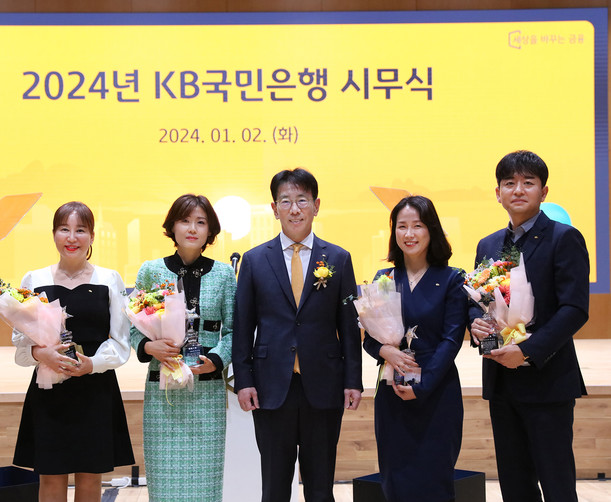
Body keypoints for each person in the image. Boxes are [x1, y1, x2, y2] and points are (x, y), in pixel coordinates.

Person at [232, 168, 362, 502]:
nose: (294, 209)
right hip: (271, 386)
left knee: (321, 488)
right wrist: (244, 380)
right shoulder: (254, 260)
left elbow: (348, 327)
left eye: (302, 200)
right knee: (274, 488)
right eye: (286, 201)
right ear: (274, 209)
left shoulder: (338, 258)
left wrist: (353, 380)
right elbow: (243, 327)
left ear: (316, 206)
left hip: (324, 384)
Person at [469, 150, 589, 502]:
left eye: (528, 182)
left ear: (543, 191)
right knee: (514, 485)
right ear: (498, 193)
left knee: (556, 484)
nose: (518, 190)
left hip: (547, 379)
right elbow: (480, 301)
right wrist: (476, 326)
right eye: (509, 183)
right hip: (502, 382)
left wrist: (527, 351)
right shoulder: (488, 244)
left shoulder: (564, 238)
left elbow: (574, 308)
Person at [12, 201, 134, 502]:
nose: (72, 237)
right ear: (54, 234)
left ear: (92, 236)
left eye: (80, 230)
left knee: (91, 480)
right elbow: (20, 341)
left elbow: (121, 341)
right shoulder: (34, 279)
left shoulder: (109, 279)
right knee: (51, 479)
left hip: (95, 389)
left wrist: (92, 363)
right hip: (49, 390)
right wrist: (41, 354)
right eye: (64, 229)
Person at [129, 194, 236, 502]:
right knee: (164, 485)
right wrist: (149, 346)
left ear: (210, 230)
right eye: (185, 221)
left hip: (207, 392)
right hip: (162, 392)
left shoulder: (224, 274)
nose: (192, 228)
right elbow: (132, 328)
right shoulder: (150, 271)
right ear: (172, 227)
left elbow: (234, 331)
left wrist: (217, 358)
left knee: (206, 485)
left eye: (201, 222)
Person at [362, 195, 467, 502]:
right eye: (401, 226)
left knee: (435, 482)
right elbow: (369, 338)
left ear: (431, 229)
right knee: (395, 481)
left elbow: (451, 340)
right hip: (392, 392)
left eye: (417, 226)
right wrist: (385, 352)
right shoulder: (384, 278)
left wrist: (423, 385)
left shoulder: (452, 278)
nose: (409, 234)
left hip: (437, 393)